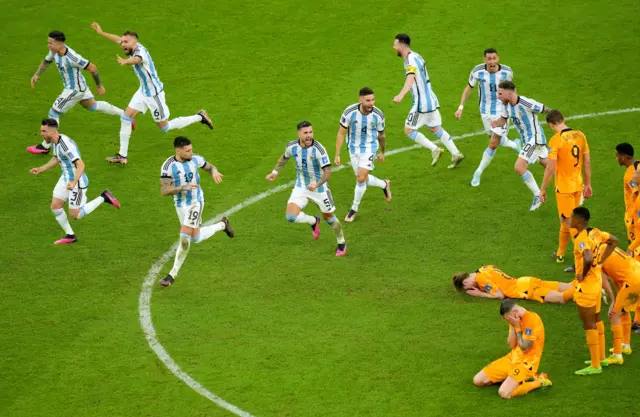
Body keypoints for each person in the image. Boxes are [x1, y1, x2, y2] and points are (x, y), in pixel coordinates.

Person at [90, 23, 214, 164]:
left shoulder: (140, 53)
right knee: (126, 117)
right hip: (143, 91)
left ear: (134, 42)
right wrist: (101, 32)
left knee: (164, 127)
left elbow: (137, 60)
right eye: (123, 42)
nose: (123, 44)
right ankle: (122, 156)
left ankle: (200, 117)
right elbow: (117, 39)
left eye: (126, 42)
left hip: (154, 95)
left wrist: (126, 61)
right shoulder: (132, 46)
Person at [27, 31, 125, 155]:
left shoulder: (72, 57)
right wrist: (37, 74)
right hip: (81, 86)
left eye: (50, 43)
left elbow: (92, 68)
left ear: (60, 44)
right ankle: (125, 114)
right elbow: (47, 61)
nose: (48, 45)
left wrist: (99, 86)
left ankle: (45, 146)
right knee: (92, 106)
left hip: (74, 90)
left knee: (53, 112)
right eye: (48, 43)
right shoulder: (54, 52)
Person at [29, 119, 121, 244]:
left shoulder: (65, 145)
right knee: (55, 206)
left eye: (43, 131)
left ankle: (104, 197)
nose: (41, 134)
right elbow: (57, 158)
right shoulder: (55, 141)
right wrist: (41, 169)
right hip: (65, 178)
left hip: (77, 182)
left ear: (51, 132)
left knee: (75, 215)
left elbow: (81, 164)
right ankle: (70, 235)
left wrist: (73, 183)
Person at [159, 137, 234, 287]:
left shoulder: (196, 159)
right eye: (187, 151)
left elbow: (210, 166)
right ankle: (222, 225)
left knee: (185, 238)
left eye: (191, 149)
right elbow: (164, 190)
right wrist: (182, 187)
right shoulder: (168, 166)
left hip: (196, 202)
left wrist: (214, 172)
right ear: (178, 150)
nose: (191, 153)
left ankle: (172, 275)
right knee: (196, 237)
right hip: (180, 205)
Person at [266, 121, 347, 256]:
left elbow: (328, 172)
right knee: (291, 216)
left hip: (320, 189)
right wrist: (275, 172)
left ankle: (341, 242)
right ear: (299, 134)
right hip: (302, 186)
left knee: (330, 219)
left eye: (310, 132)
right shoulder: (292, 146)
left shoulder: (319, 150)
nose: (309, 136)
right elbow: (284, 158)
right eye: (305, 133)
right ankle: (313, 221)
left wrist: (317, 184)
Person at [392, 33, 464, 169]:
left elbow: (411, 77)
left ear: (401, 45)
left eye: (395, 45)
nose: (394, 47)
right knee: (435, 128)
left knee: (408, 130)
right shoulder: (417, 55)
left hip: (422, 104)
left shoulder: (409, 60)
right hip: (431, 99)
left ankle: (434, 149)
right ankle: (456, 153)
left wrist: (401, 95)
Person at [454, 48, 520, 186]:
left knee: (493, 144)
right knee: (494, 139)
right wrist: (461, 107)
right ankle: (515, 145)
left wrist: (516, 107)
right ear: (484, 59)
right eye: (489, 59)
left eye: (494, 58)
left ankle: (478, 172)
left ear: (498, 58)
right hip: (485, 111)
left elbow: (512, 90)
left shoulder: (507, 72)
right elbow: (468, 89)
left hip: (502, 111)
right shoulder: (477, 71)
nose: (492, 61)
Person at [564, 207, 616, 375]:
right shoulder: (595, 232)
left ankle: (595, 366)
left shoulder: (581, 238)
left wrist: (582, 274)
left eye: (572, 218)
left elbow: (587, 257)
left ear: (578, 222)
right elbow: (613, 241)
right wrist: (600, 260)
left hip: (586, 287)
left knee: (589, 324)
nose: (570, 220)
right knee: (597, 319)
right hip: (597, 283)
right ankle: (600, 357)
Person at [539, 110, 592, 264]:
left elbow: (550, 168)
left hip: (564, 188)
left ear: (550, 125)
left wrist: (542, 189)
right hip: (578, 184)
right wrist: (588, 184)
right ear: (564, 119)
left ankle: (584, 257)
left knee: (571, 223)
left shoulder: (556, 140)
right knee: (566, 221)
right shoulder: (580, 135)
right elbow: (587, 161)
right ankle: (560, 253)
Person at [473, 299, 551, 399]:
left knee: (504, 393)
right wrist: (513, 325)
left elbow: (524, 348)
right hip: (512, 358)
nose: (508, 321)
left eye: (508, 319)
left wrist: (517, 327)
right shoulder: (514, 320)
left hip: (527, 364)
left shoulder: (532, 320)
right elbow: (511, 344)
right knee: (478, 380)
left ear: (515, 312)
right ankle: (512, 379)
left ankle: (540, 381)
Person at [491, 81, 550, 211]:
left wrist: (558, 123)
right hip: (527, 140)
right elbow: (503, 119)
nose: (498, 96)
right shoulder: (506, 105)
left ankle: (537, 195)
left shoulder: (525, 103)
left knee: (519, 166)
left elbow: (545, 109)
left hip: (535, 138)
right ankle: (575, 184)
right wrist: (496, 123)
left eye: (500, 93)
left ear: (510, 93)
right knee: (549, 165)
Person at [335, 87, 391, 223]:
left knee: (360, 178)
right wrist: (337, 154)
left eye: (373, 99)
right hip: (353, 149)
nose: (371, 103)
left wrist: (382, 152)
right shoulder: (349, 112)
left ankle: (353, 209)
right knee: (362, 178)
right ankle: (384, 184)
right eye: (368, 100)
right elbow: (341, 133)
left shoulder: (378, 114)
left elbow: (381, 135)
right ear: (360, 100)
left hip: (369, 148)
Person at [452, 265, 572, 303]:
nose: (471, 288)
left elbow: (500, 295)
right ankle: (586, 285)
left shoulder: (482, 279)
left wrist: (480, 294)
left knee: (561, 298)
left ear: (465, 282)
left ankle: (585, 293)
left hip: (524, 290)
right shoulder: (484, 268)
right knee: (567, 285)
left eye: (467, 288)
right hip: (525, 280)